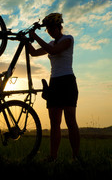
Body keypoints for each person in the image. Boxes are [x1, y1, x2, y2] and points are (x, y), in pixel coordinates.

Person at [29, 13, 80, 161]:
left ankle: (76, 157)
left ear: (59, 27)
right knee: (54, 123)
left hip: (68, 81)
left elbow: (53, 51)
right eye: (48, 29)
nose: (50, 31)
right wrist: (26, 40)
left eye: (52, 28)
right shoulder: (50, 44)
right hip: (54, 83)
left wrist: (35, 36)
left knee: (70, 121)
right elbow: (33, 53)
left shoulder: (68, 39)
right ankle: (53, 156)